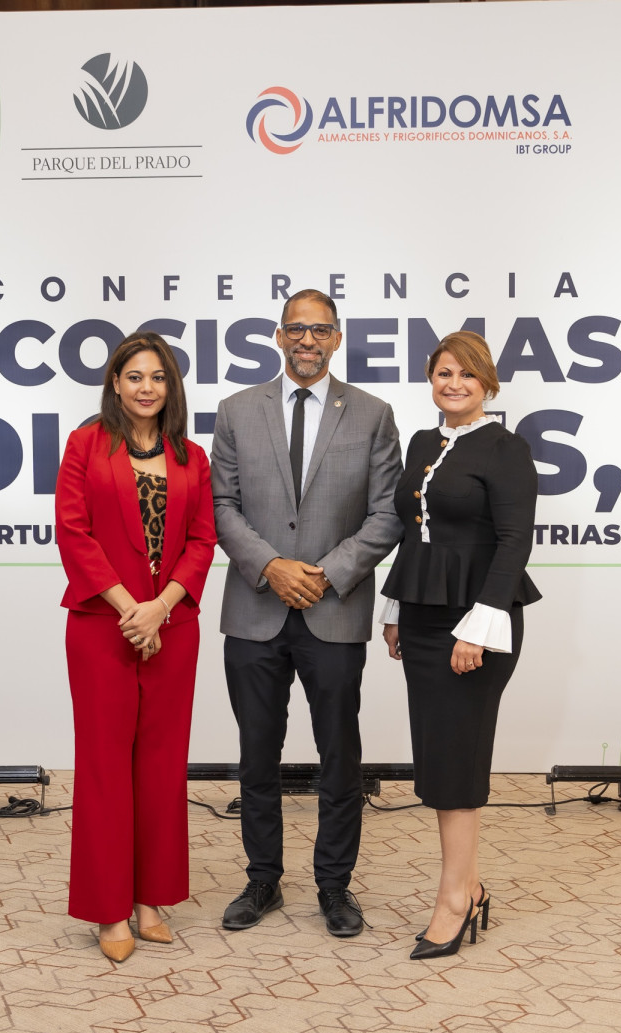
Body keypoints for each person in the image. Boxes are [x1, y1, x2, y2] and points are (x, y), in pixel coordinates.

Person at [211, 288, 402, 937]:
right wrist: (271, 566)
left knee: (339, 755)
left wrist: (327, 572)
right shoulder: (237, 411)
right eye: (296, 328)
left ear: (337, 338)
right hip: (255, 611)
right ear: (277, 335)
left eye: (320, 329)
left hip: (333, 608)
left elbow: (389, 512)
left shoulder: (373, 414)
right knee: (256, 755)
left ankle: (334, 886)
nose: (307, 340)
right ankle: (262, 879)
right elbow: (222, 505)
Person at [56, 331, 216, 962]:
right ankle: (107, 910)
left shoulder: (191, 457)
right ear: (115, 384)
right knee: (103, 767)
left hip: (172, 628)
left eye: (158, 378)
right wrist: (131, 610)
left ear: (170, 387)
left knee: (160, 764)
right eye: (134, 377)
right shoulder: (85, 445)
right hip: (104, 627)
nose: (146, 388)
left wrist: (161, 608)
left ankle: (151, 899)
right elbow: (74, 533)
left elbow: (202, 542)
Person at [381, 331, 540, 960]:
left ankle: (453, 900)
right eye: (443, 372)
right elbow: (411, 533)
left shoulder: (506, 448)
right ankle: (468, 887)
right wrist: (396, 607)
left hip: (477, 623)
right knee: (438, 756)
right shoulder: (424, 442)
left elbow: (514, 542)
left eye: (466, 375)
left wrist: (476, 626)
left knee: (457, 758)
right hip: (420, 617)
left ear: (487, 382)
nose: (454, 384)